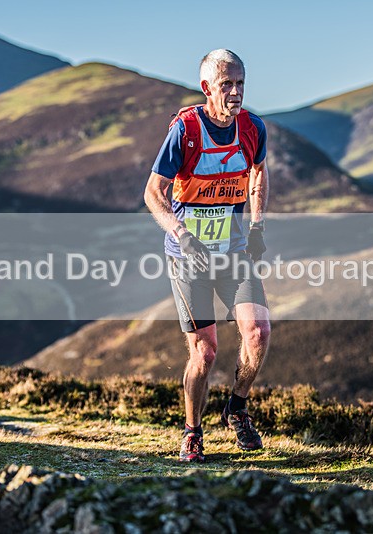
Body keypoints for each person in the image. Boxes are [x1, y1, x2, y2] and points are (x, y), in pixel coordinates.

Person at [144, 49, 270, 462]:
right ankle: (192, 431)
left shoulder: (252, 128)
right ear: (206, 88)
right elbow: (153, 193)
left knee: (258, 333)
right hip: (190, 258)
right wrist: (182, 234)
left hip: (233, 252)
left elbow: (258, 172)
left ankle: (237, 407)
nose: (235, 92)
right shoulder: (186, 131)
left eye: (240, 83)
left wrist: (256, 226)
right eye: (226, 84)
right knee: (205, 352)